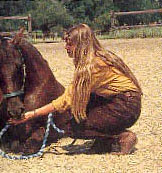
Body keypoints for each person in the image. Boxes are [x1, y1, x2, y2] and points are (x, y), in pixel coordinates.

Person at [8, 24, 142, 154]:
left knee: (72, 127)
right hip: (125, 101)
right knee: (77, 115)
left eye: (70, 44)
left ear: (81, 45)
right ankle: (104, 141)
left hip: (125, 105)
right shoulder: (98, 57)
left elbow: (67, 100)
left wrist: (32, 114)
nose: (66, 47)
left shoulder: (92, 66)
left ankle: (121, 137)